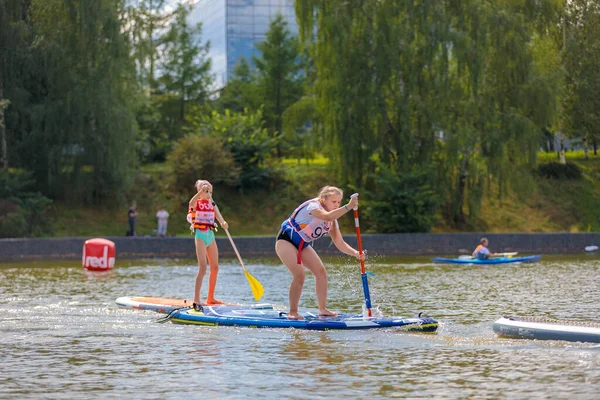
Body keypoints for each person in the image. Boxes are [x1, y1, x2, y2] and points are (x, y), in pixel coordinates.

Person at [275, 186, 363, 320]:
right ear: (323, 199)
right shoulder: (313, 206)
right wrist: (349, 206)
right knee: (300, 275)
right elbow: (326, 215)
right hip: (285, 241)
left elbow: (340, 243)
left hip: (302, 245)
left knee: (321, 272)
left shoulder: (333, 221)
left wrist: (356, 253)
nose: (337, 205)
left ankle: (322, 309)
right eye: (334, 202)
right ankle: (293, 312)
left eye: (339, 202)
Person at [187, 180, 228, 307]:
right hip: (200, 235)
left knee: (215, 268)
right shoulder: (197, 203)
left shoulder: (212, 203)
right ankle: (196, 299)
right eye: (206, 191)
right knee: (203, 268)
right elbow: (191, 203)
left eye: (209, 191)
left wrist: (223, 222)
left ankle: (211, 298)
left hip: (210, 236)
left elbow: (219, 215)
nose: (208, 193)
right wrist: (201, 191)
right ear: (200, 192)